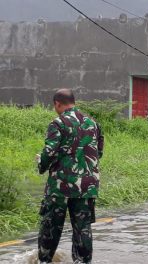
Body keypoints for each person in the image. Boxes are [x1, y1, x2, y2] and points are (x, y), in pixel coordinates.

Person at [36, 89, 104, 263]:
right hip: (87, 185)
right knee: (83, 228)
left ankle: (44, 261)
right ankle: (83, 261)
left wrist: (41, 164)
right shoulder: (93, 123)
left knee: (51, 227)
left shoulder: (58, 123)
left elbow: (49, 153)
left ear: (57, 103)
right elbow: (99, 152)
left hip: (61, 186)